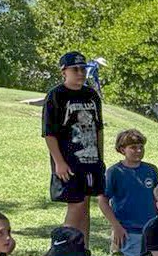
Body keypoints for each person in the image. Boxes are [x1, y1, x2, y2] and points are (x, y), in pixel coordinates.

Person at [42, 52, 115, 245]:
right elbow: (49, 133)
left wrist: (100, 158)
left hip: (90, 159)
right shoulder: (56, 96)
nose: (80, 73)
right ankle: (62, 249)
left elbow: (98, 129)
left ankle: (83, 251)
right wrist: (59, 162)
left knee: (85, 206)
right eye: (75, 69)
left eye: (83, 69)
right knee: (76, 204)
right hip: (69, 160)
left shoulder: (91, 95)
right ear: (64, 72)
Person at [104, 128, 158, 256]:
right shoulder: (115, 172)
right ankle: (117, 246)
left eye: (141, 147)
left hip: (152, 228)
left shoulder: (151, 170)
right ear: (122, 150)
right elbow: (102, 201)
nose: (138, 150)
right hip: (128, 230)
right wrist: (116, 227)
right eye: (133, 147)